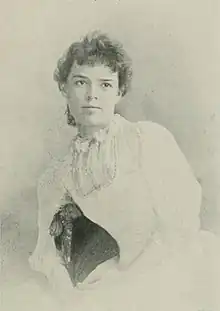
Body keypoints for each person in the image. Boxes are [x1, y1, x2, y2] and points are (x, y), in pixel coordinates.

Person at [26, 30, 220, 310]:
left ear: (119, 92)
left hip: (176, 266)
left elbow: (181, 227)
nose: (92, 95)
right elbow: (47, 253)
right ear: (64, 88)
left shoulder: (147, 140)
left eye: (105, 85)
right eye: (81, 82)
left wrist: (127, 279)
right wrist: (68, 297)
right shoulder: (57, 176)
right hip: (111, 282)